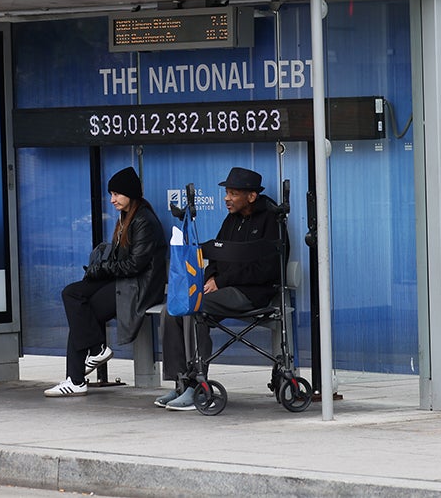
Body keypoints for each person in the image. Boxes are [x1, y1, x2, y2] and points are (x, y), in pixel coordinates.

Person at [156, 166, 283, 411]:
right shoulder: (231, 219)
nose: (226, 198)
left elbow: (267, 269)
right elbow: (215, 257)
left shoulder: (270, 220)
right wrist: (209, 278)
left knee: (193, 307)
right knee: (172, 309)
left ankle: (197, 385)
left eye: (233, 193)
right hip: (223, 290)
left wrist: (220, 282)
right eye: (227, 193)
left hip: (251, 294)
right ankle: (182, 382)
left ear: (251, 196)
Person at [44, 166, 166, 397]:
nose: (112, 200)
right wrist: (98, 269)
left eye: (116, 194)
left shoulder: (144, 220)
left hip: (138, 286)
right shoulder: (126, 217)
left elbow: (135, 265)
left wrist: (102, 269)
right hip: (123, 280)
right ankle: (97, 349)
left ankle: (76, 379)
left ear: (130, 193)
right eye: (111, 194)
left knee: (83, 311)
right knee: (71, 293)